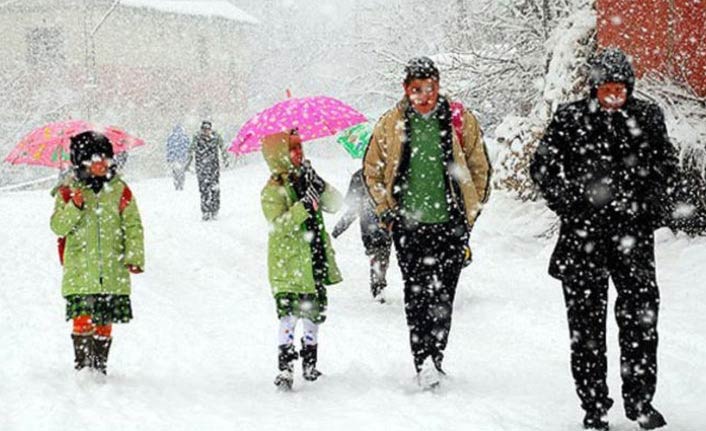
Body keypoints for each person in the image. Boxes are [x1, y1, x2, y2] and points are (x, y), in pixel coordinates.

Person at [530, 48, 678, 431]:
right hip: (582, 240)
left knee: (641, 324)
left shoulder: (647, 117)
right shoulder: (570, 118)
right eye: (607, 88)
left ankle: (641, 402)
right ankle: (594, 406)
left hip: (634, 239)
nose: (614, 95)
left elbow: (667, 165)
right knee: (586, 331)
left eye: (621, 88)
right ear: (594, 88)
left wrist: (650, 205)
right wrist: (569, 204)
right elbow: (543, 165)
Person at [363, 57, 491, 389]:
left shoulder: (458, 120)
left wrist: (469, 212)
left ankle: (437, 355)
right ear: (406, 90)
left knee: (444, 295)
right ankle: (423, 360)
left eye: (430, 88)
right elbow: (372, 170)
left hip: (449, 224)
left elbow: (479, 164)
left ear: (438, 86)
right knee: (416, 294)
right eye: (416, 89)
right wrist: (386, 209)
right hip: (408, 226)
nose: (424, 96)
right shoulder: (391, 123)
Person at [50, 131, 145, 376]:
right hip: (81, 270)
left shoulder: (119, 190)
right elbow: (58, 226)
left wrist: (134, 256)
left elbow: (132, 224)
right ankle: (83, 366)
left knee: (104, 319)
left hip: (112, 268)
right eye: (95, 159)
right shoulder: (68, 192)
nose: (102, 164)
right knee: (82, 317)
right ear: (81, 162)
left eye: (106, 158)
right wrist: (75, 206)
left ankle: (99, 366)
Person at [260, 129, 343, 391]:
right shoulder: (273, 190)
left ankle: (310, 362)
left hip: (314, 257)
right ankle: (285, 366)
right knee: (288, 315)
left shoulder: (307, 180)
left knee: (313, 314)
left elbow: (336, 203)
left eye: (300, 147)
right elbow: (278, 225)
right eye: (292, 148)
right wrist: (302, 208)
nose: (299, 152)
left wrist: (318, 184)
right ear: (279, 155)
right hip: (290, 263)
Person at [331, 168, 391, 303]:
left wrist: (339, 229)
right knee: (381, 254)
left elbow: (353, 209)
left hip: (370, 225)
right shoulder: (389, 172)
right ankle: (378, 284)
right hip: (384, 223)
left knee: (377, 254)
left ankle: (378, 284)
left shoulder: (360, 175)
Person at [186, 121, 229, 220]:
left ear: (210, 129)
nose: (206, 131)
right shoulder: (197, 138)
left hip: (213, 167)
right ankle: (205, 210)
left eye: (208, 129)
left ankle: (214, 210)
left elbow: (223, 148)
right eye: (204, 129)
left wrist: (225, 159)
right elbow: (190, 151)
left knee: (215, 188)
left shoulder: (216, 137)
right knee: (203, 189)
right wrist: (187, 164)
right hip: (201, 167)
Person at [166, 124, 190, 191]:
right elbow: (187, 147)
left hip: (174, 158)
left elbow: (168, 148)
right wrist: (187, 156)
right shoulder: (185, 137)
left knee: (175, 172)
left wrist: (169, 158)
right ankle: (181, 183)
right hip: (182, 158)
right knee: (182, 171)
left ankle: (177, 183)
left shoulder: (171, 138)